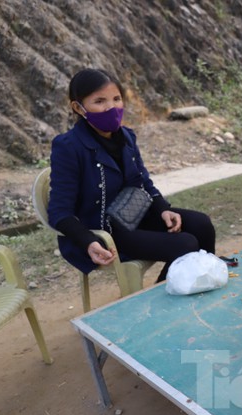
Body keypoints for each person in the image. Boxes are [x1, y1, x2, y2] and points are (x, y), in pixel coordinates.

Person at [48, 68, 217, 283]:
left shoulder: (127, 136)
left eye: (116, 99)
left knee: (202, 225)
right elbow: (59, 212)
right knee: (186, 245)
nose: (111, 107)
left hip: (134, 215)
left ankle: (197, 286)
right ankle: (162, 304)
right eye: (99, 101)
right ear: (78, 107)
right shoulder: (68, 147)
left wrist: (162, 208)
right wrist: (88, 241)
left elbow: (142, 181)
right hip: (106, 231)